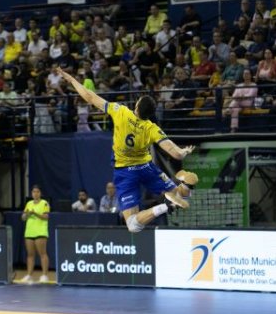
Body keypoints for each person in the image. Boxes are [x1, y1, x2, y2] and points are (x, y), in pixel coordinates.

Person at [56, 67, 196, 234]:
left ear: (137, 107)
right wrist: (184, 151)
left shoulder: (120, 112)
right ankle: (185, 186)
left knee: (133, 225)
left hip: (125, 172)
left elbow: (89, 96)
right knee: (182, 195)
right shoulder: (152, 128)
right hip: (146, 168)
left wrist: (72, 80)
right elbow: (174, 153)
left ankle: (165, 207)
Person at [20, 185, 50, 283]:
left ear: (40, 193)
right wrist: (28, 214)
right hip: (29, 231)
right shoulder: (28, 203)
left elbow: (46, 217)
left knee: (42, 254)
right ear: (31, 193)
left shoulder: (44, 203)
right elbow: (23, 218)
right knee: (30, 255)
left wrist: (35, 213)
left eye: (37, 192)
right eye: (33, 192)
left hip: (40, 231)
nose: (35, 193)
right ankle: (29, 275)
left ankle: (45, 275)